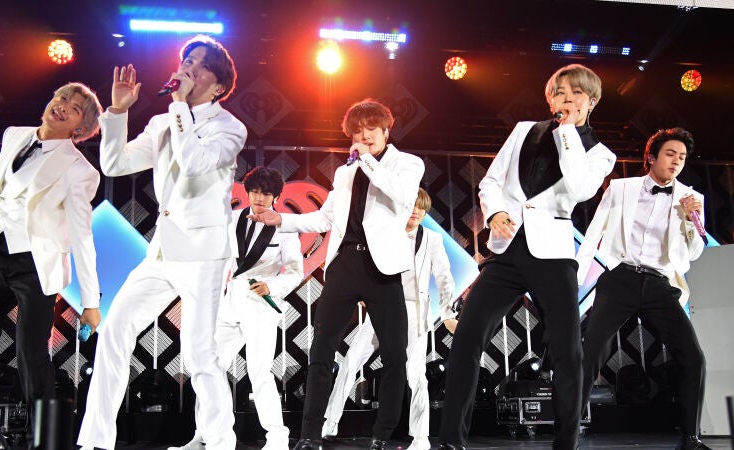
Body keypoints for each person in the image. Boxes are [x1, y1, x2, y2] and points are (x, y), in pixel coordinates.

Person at [77, 35, 246, 450]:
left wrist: (179, 107)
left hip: (203, 254)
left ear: (218, 85)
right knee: (114, 328)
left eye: (199, 64)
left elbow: (194, 163)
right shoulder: (162, 122)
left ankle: (217, 443)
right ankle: (96, 440)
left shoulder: (229, 128)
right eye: (186, 59)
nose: (188, 66)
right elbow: (114, 164)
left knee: (199, 354)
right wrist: (118, 111)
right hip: (163, 251)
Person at [436, 64, 616, 450]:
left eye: (576, 93)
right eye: (560, 92)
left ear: (592, 102)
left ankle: (566, 443)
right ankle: (451, 441)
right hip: (506, 251)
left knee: (567, 351)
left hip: (553, 254)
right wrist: (495, 212)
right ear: (549, 99)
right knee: (467, 336)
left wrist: (567, 131)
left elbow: (580, 188)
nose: (567, 98)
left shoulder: (601, 154)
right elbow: (491, 181)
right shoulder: (524, 130)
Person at [251, 99, 424, 450]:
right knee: (321, 350)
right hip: (345, 263)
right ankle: (310, 435)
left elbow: (401, 196)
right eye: (357, 132)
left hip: (383, 269)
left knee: (394, 355)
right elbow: (325, 218)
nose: (364, 136)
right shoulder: (345, 173)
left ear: (386, 130)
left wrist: (367, 161)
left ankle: (382, 435)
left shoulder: (407, 164)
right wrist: (281, 220)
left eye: (370, 130)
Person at [0, 82, 103, 450]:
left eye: (75, 109)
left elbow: (82, 235)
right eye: (62, 98)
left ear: (80, 128)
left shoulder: (80, 170)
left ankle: (45, 444)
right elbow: (1, 193)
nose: (63, 106)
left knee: (31, 357)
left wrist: (91, 302)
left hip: (36, 263)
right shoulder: (14, 135)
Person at [576, 128, 709, 450]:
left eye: (682, 157)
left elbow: (693, 253)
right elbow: (593, 233)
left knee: (693, 358)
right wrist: (575, 278)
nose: (676, 162)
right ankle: (568, 432)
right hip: (621, 277)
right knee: (591, 353)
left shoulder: (691, 199)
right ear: (651, 157)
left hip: (660, 284)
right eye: (670, 154)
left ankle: (690, 438)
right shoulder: (621, 188)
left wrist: (691, 219)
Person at [170, 166, 303, 450]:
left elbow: (295, 272)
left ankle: (277, 439)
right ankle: (204, 436)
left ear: (276, 196)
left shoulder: (285, 227)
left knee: (260, 373)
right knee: (208, 369)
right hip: (229, 304)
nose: (259, 197)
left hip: (260, 305)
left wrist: (272, 287)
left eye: (266, 193)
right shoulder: (231, 219)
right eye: (254, 191)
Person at [322, 187, 455, 450]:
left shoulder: (432, 239)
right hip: (383, 307)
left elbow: (444, 277)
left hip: (415, 311)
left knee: (416, 374)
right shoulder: (385, 234)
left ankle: (420, 437)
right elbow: (366, 267)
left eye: (422, 208)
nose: (416, 211)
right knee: (351, 361)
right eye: (413, 205)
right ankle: (330, 422)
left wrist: (448, 311)